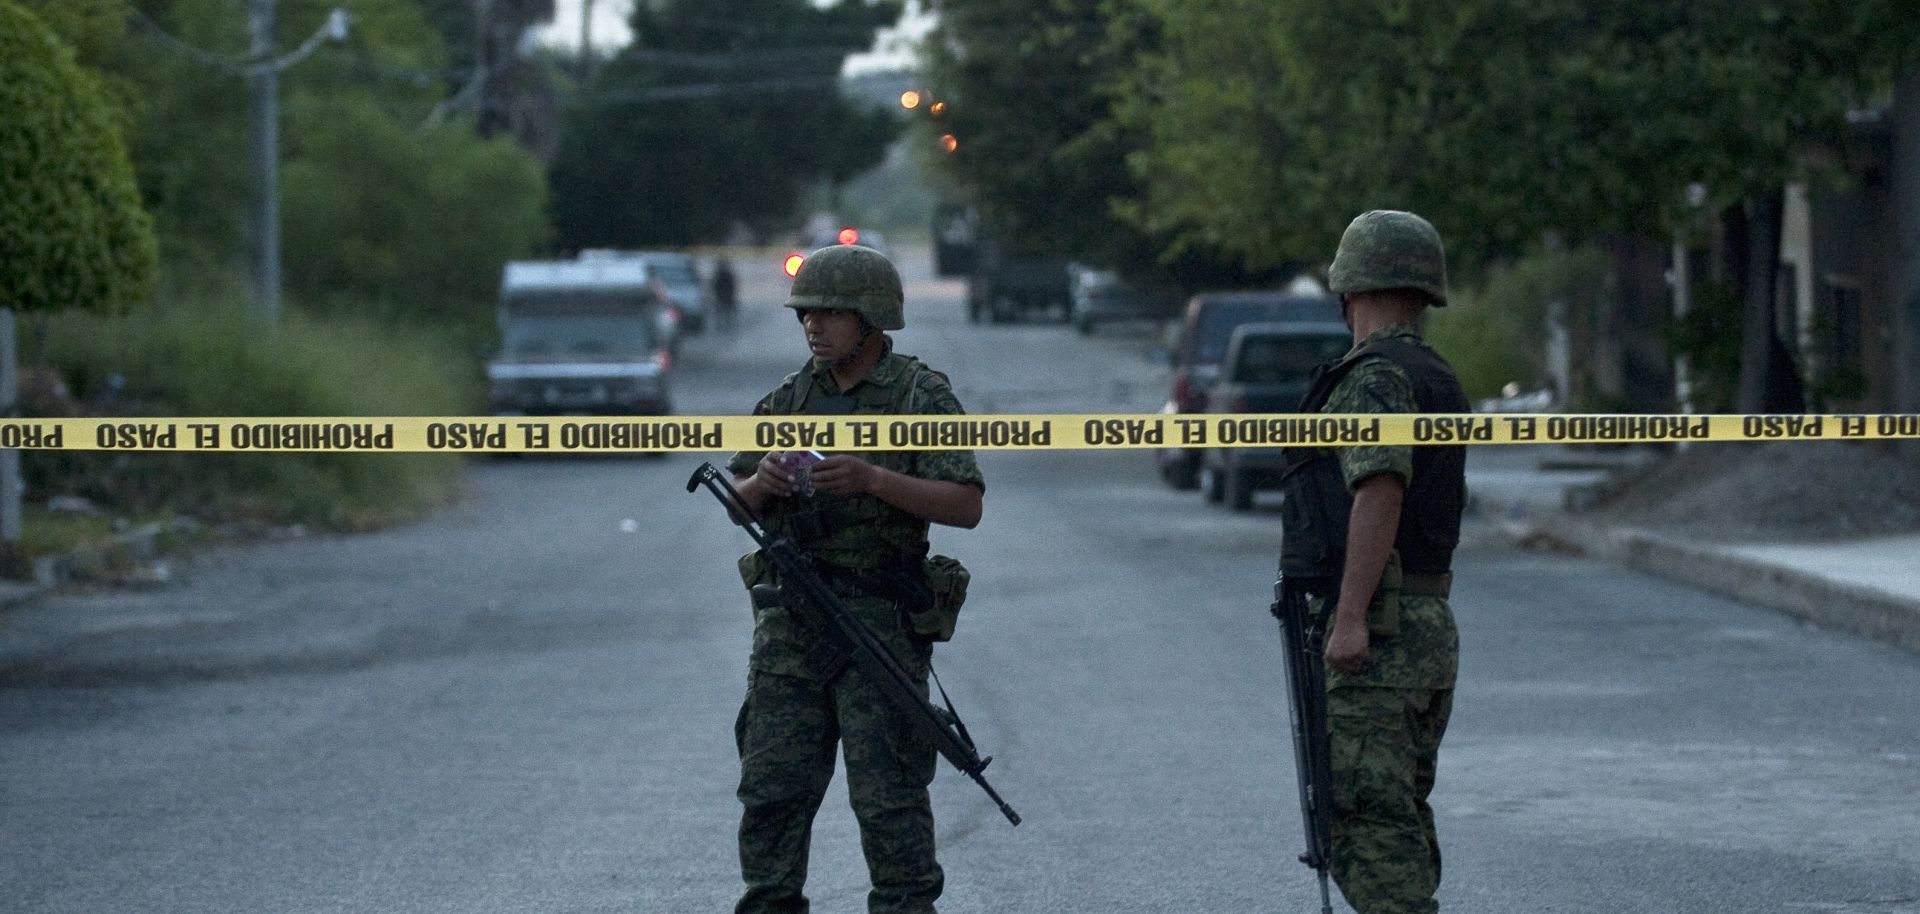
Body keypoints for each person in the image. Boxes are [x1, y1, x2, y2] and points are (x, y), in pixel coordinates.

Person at [723, 244, 985, 914]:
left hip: (878, 621)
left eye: (831, 313)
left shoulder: (920, 395)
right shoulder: (787, 400)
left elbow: (965, 504)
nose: (813, 326)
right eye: (806, 313)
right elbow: (737, 505)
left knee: (889, 799)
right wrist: (764, 481)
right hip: (794, 619)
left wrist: (872, 478)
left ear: (871, 319)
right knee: (772, 792)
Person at [1298, 210, 1469, 914]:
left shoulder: (1374, 378)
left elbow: (1379, 490)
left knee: (1367, 822)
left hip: (1383, 637)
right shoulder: (1434, 374)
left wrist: (1349, 618)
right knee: (1396, 814)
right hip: (1424, 625)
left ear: (1348, 290)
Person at [712, 256, 739, 331]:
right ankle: (724, 325)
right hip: (724, 295)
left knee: (724, 312)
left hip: (723, 295)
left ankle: (724, 326)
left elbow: (714, 285)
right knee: (724, 312)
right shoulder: (724, 274)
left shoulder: (720, 275)